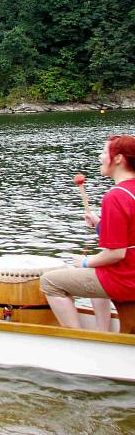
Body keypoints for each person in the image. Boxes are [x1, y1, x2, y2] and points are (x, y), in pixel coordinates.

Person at [41, 135, 135, 329]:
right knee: (93, 270)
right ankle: (103, 332)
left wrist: (85, 262)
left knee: (50, 282)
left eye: (104, 152)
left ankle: (79, 340)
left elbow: (116, 254)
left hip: (127, 278)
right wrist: (101, 225)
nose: (100, 156)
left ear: (118, 159)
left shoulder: (116, 196)